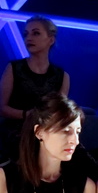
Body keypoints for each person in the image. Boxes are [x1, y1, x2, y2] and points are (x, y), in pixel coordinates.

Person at [0, 16, 69, 159]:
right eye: (26, 34)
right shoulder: (13, 68)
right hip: (13, 135)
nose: (29, 38)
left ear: (51, 40)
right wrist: (28, 115)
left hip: (45, 135)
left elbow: (59, 113)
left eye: (36, 33)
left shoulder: (62, 76)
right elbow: (2, 108)